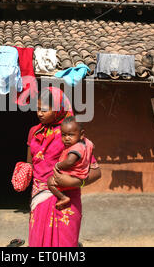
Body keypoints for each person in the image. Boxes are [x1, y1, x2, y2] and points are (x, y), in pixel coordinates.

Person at [26, 87, 101, 247]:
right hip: (39, 197)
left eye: (45, 109)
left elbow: (96, 172)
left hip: (66, 198)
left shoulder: (69, 134)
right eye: (38, 108)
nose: (40, 113)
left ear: (59, 109)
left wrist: (73, 182)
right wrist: (23, 171)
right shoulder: (34, 132)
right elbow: (31, 162)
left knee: (64, 243)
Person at [47, 116, 94, 211]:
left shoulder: (76, 148)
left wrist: (58, 165)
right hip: (79, 176)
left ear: (81, 135)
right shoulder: (87, 143)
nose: (67, 138)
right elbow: (93, 146)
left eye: (71, 135)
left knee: (50, 182)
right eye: (64, 135)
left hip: (72, 176)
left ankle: (63, 197)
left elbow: (69, 162)